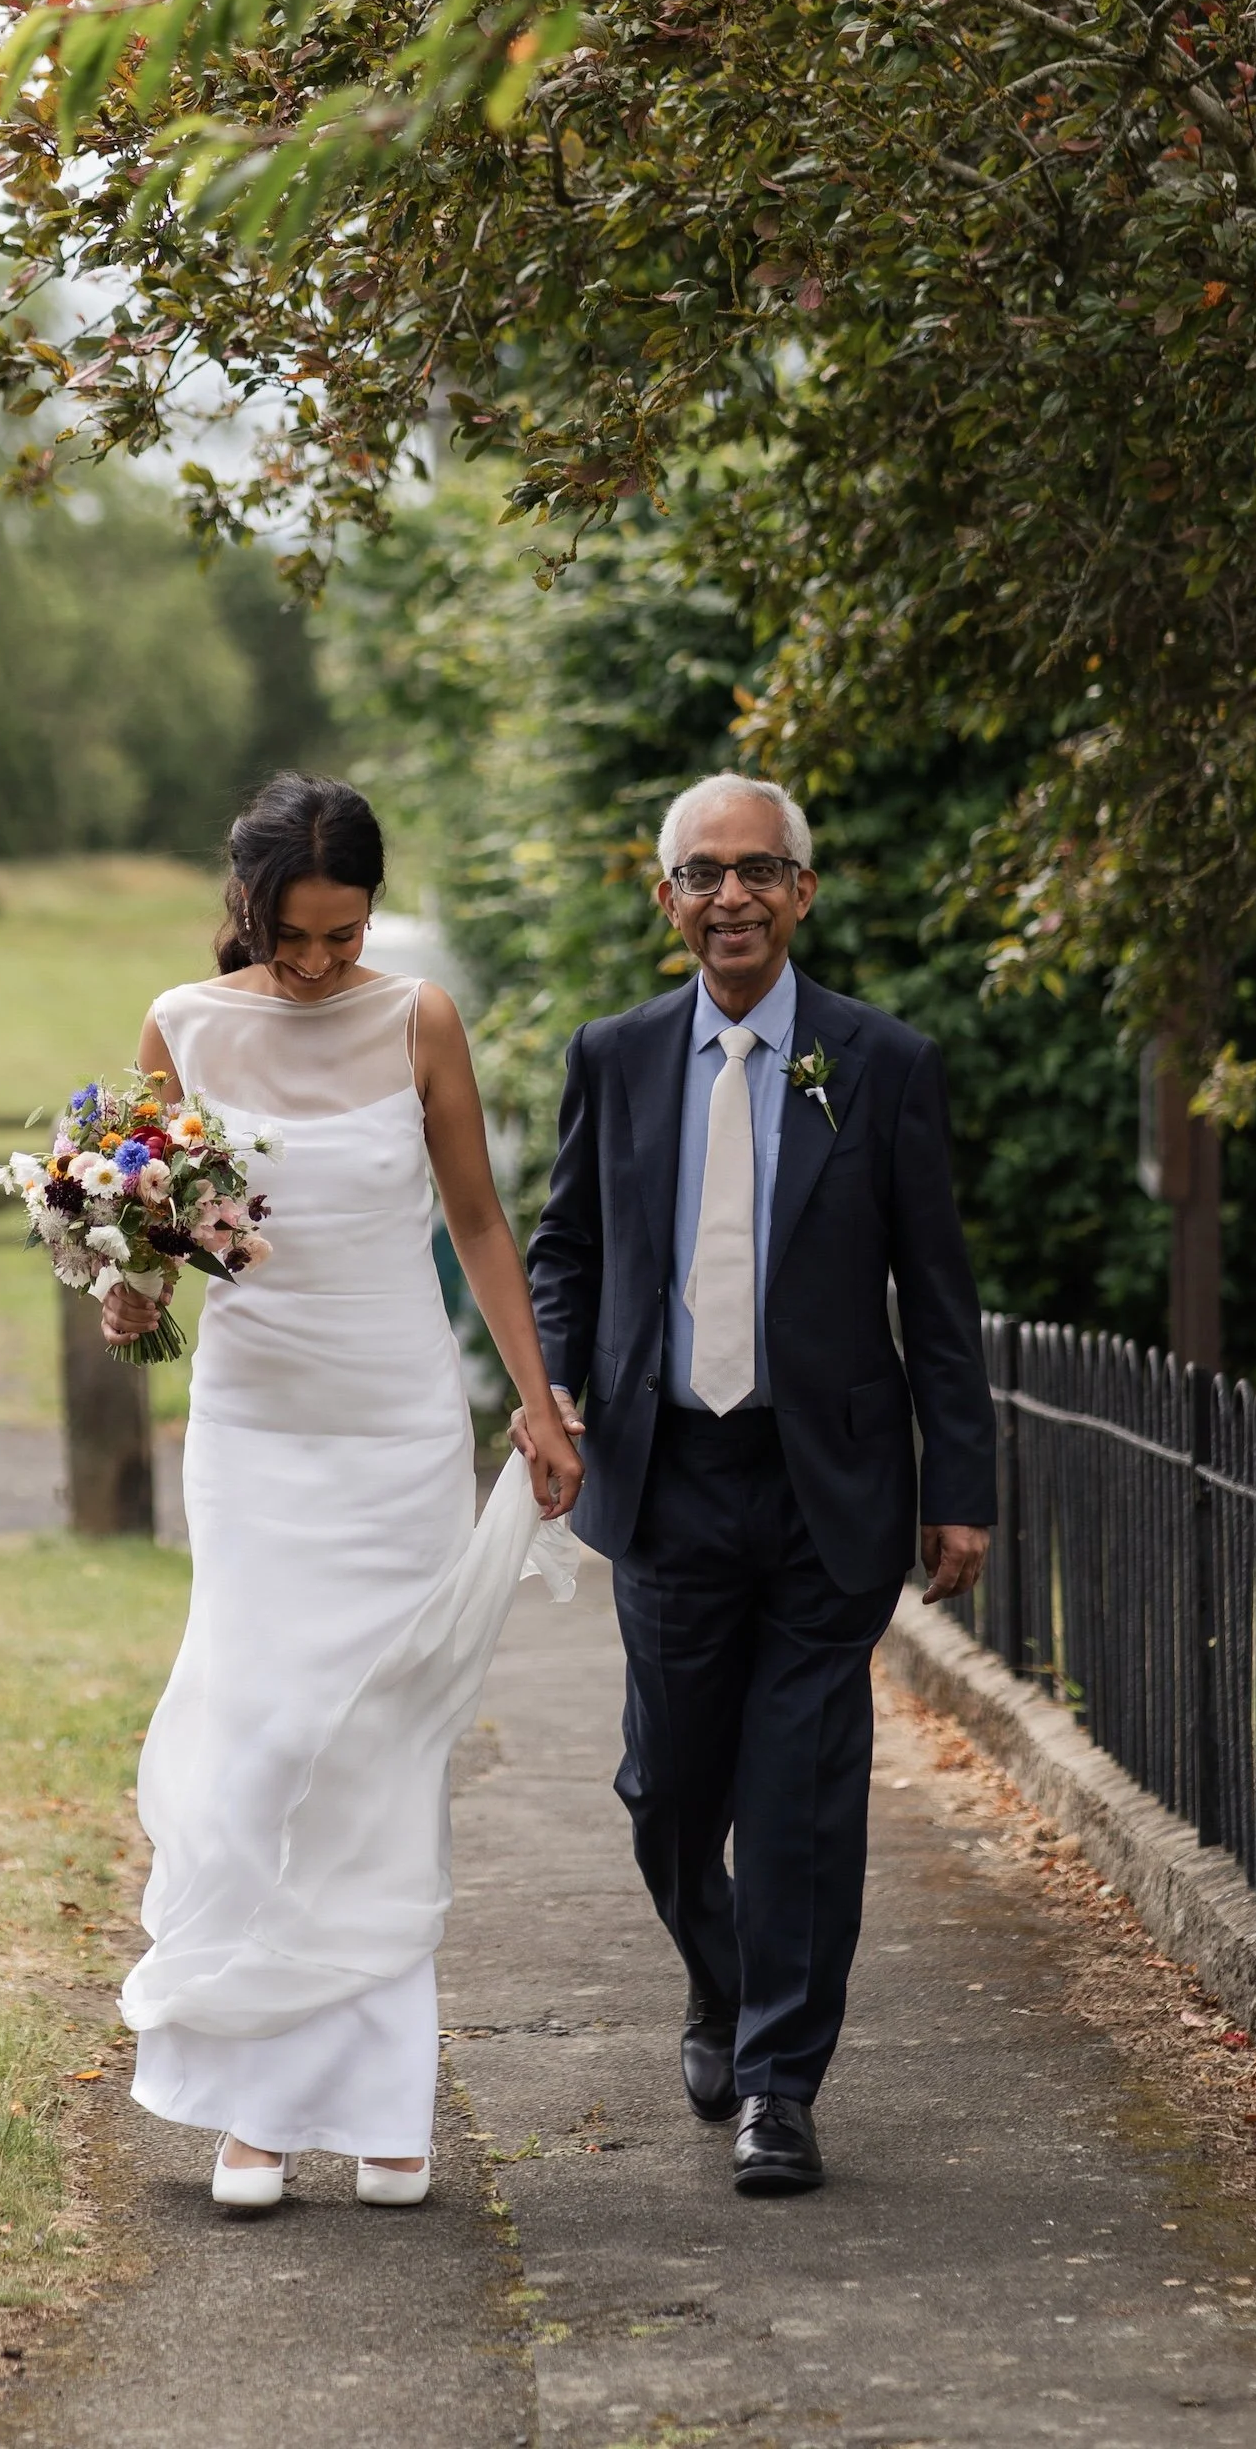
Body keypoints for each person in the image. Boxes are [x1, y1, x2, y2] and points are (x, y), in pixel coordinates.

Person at [101, 771, 583, 2212]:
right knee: (259, 1747)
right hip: (252, 1432)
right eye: (291, 936)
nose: (317, 965)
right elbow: (149, 1243)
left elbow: (480, 1223)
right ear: (246, 911)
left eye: (344, 934)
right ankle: (257, 2106)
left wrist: (539, 1406)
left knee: (383, 1751)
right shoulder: (182, 1028)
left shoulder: (419, 1017)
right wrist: (128, 1298)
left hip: (396, 1426)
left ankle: (385, 2106)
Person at [517, 774, 995, 2196]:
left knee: (800, 1791)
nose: (731, 896)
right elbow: (564, 1250)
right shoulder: (615, 1056)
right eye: (703, 874)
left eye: (758, 872)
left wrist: (955, 1483)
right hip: (668, 1479)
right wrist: (550, 1391)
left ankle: (781, 2087)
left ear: (802, 892)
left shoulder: (882, 1062)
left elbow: (940, 1295)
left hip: (827, 1487)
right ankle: (721, 1986)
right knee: (667, 1786)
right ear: (666, 899)